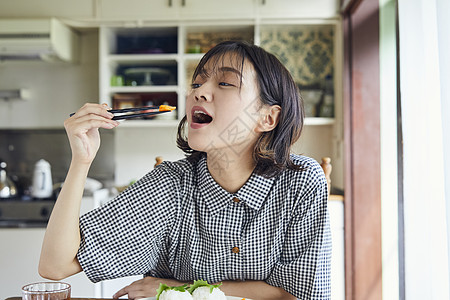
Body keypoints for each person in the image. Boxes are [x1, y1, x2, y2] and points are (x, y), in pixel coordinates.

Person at [39, 41, 331, 300]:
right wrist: (81, 161)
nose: (199, 92)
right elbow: (55, 265)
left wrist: (181, 288)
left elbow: (297, 294)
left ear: (267, 117)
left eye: (225, 83)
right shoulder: (169, 185)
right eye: (197, 83)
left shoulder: (301, 181)